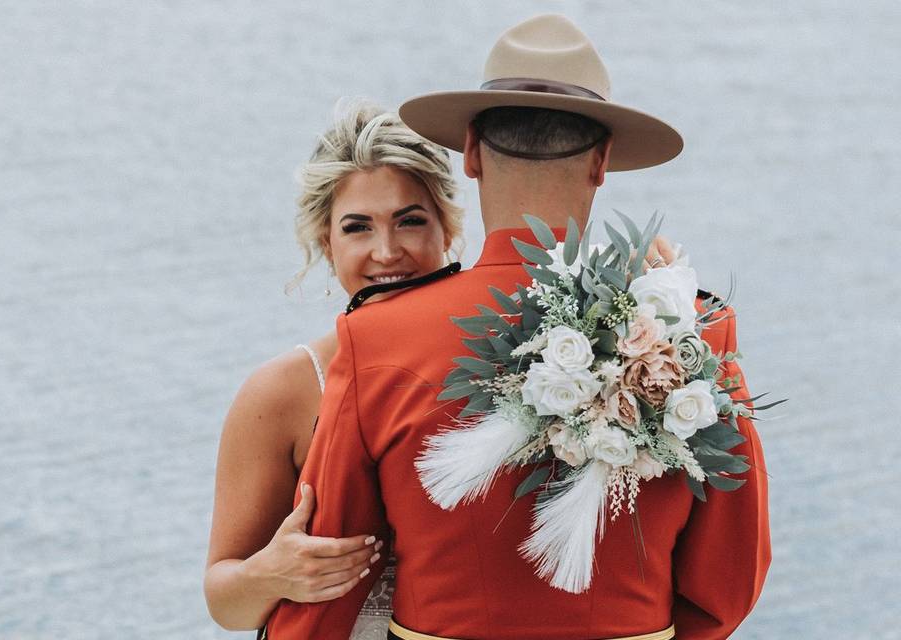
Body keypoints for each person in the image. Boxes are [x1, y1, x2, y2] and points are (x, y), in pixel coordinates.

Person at [266, 14, 769, 640]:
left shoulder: (375, 339)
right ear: (603, 161)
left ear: (472, 155)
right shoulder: (691, 332)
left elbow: (331, 573)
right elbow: (730, 578)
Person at [203, 102, 464, 639]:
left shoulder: (500, 365)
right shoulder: (283, 392)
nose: (386, 252)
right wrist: (269, 572)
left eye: (410, 221)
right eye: (357, 228)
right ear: (327, 242)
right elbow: (225, 603)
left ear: (449, 228)